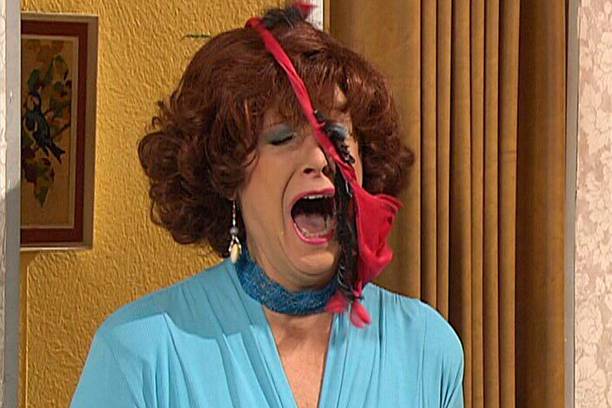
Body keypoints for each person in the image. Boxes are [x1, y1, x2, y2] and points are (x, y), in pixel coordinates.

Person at [71, 3, 464, 407]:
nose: (319, 158)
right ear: (227, 173)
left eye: (336, 135)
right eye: (282, 137)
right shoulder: (139, 353)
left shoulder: (428, 350)